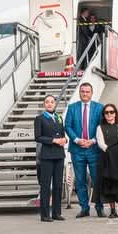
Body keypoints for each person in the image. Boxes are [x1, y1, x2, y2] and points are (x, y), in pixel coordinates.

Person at [65, 82, 104, 218]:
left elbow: (102, 126)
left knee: (97, 180)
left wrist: (92, 140)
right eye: (82, 91)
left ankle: (99, 207)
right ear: (79, 92)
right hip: (77, 149)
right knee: (80, 180)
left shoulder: (99, 108)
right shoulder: (72, 108)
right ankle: (84, 208)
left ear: (91, 93)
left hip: (94, 149)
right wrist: (77, 140)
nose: (85, 94)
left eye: (87, 92)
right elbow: (67, 126)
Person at [33, 94, 67, 222]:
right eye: (47, 102)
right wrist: (54, 140)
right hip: (47, 156)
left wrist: (64, 140)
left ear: (55, 104)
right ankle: (45, 214)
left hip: (59, 155)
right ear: (44, 104)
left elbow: (62, 134)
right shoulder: (40, 119)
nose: (50, 104)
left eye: (52, 102)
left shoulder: (59, 118)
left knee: (58, 185)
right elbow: (38, 137)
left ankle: (56, 213)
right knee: (46, 186)